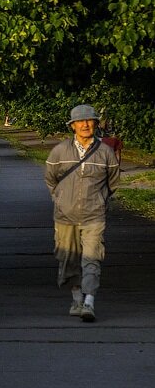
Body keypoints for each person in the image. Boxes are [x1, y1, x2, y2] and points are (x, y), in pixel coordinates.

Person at [45, 104, 121, 323]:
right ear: (73, 126)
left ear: (96, 124)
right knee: (68, 259)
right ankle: (76, 299)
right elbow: (50, 179)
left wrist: (100, 200)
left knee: (92, 257)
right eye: (80, 121)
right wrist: (59, 199)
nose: (85, 125)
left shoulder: (105, 152)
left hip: (93, 216)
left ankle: (89, 302)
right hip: (65, 215)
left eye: (90, 121)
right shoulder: (60, 151)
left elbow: (113, 182)